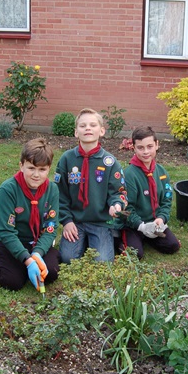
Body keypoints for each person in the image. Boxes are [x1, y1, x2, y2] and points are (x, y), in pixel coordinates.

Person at [0, 138, 61, 291]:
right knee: (12, 281)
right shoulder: (8, 189)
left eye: (42, 170)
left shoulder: (52, 189)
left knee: (51, 273)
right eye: (31, 168)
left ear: (49, 169)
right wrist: (27, 260)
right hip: (11, 241)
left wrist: (37, 254)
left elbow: (51, 227)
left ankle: (31, 260)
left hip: (36, 242)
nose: (36, 175)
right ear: (21, 166)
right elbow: (6, 231)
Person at [55, 108, 127, 263]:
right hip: (75, 221)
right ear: (76, 132)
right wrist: (66, 221)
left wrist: (116, 205)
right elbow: (59, 194)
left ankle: (101, 239)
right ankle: (83, 240)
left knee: (102, 262)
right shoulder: (67, 159)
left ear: (101, 131)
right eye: (83, 125)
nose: (87, 128)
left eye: (93, 125)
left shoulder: (110, 162)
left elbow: (118, 192)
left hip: (100, 222)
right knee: (67, 259)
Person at [118, 127, 180, 259]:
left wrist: (161, 218)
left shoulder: (162, 173)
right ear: (133, 148)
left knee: (173, 246)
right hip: (134, 224)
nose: (146, 152)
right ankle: (121, 237)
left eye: (150, 146)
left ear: (157, 145)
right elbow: (126, 208)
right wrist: (141, 226)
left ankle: (148, 237)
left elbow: (166, 201)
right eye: (140, 148)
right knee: (135, 255)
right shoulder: (129, 175)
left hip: (154, 223)